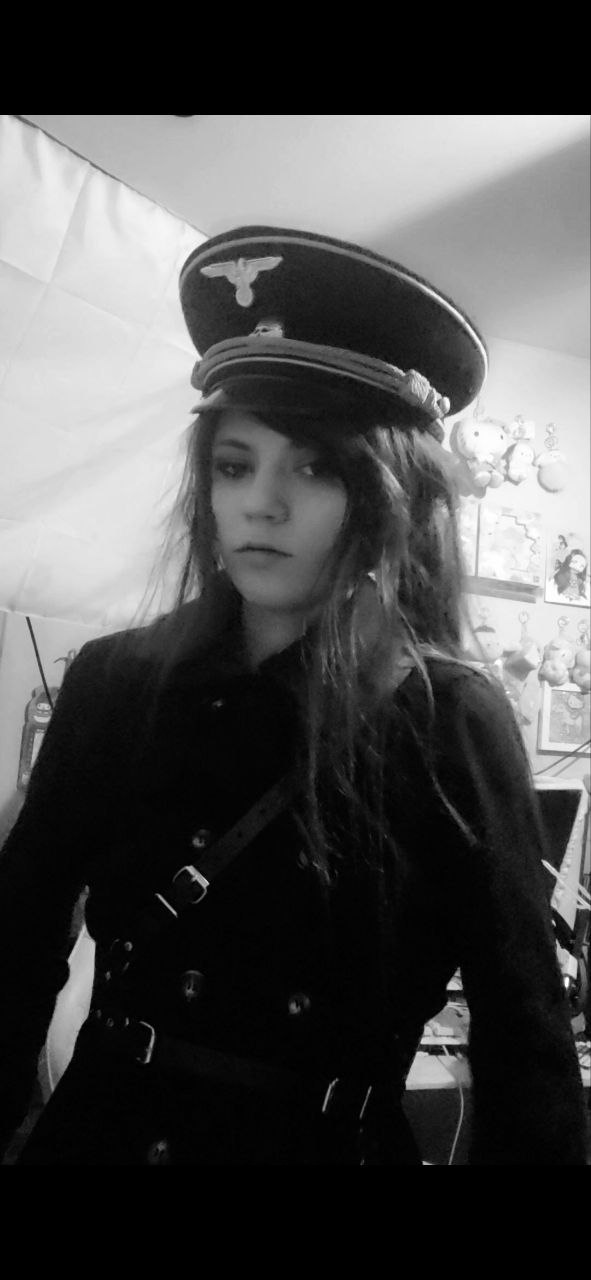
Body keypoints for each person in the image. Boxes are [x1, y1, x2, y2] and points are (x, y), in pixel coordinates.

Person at [0, 225, 586, 1165]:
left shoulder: (446, 717)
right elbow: (15, 947)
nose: (260, 503)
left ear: (388, 496)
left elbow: (525, 1037)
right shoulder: (118, 682)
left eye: (313, 466)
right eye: (234, 465)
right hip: (104, 1139)